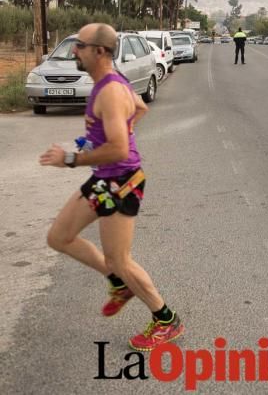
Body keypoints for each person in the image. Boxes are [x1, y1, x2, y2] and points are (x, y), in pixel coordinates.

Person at [39, 23, 184, 352]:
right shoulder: (110, 83)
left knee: (120, 258)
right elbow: (141, 107)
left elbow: (119, 149)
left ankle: (166, 320)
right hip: (106, 179)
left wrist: (73, 158)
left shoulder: (109, 91)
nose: (75, 50)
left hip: (121, 182)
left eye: (80, 45)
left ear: (99, 51)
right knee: (58, 237)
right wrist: (107, 136)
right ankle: (120, 284)